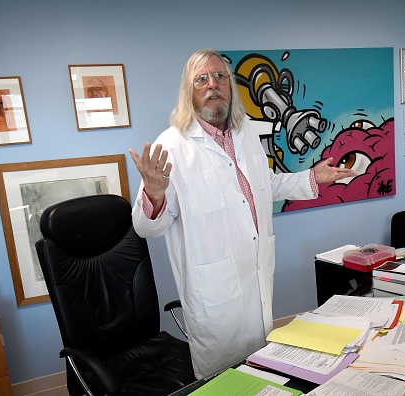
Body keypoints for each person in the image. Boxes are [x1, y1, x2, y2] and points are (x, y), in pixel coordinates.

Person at [129, 49, 355, 379]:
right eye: (201, 79)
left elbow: (265, 186)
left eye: (220, 76)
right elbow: (146, 228)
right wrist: (154, 192)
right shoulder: (173, 146)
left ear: (231, 86)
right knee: (224, 380)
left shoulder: (245, 132)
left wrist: (311, 177)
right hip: (214, 294)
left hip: (256, 275)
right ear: (188, 90)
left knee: (262, 372)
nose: (212, 85)